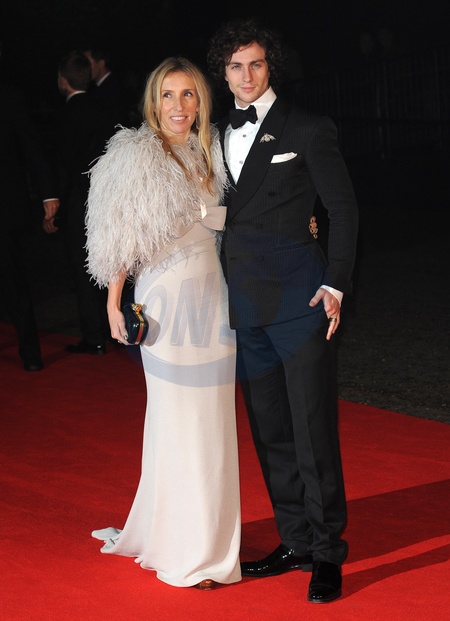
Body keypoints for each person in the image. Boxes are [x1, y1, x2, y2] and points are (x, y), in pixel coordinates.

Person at [207, 18, 359, 603]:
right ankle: (295, 540)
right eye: (235, 66)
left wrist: (337, 283)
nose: (246, 76)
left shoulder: (308, 127)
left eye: (256, 64)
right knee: (270, 431)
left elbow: (343, 209)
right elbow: (223, 214)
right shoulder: (214, 136)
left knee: (312, 429)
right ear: (223, 73)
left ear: (271, 66)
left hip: (301, 302)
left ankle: (327, 551)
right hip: (246, 304)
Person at [86, 56, 241, 590]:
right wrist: (114, 304)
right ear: (154, 102)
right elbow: (118, 234)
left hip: (213, 299)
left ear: (202, 101)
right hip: (163, 301)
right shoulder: (135, 156)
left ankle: (210, 542)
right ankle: (186, 550)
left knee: (213, 420)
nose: (179, 106)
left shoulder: (211, 151)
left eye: (189, 94)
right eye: (168, 95)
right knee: (178, 417)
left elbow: (231, 222)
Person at [45, 51, 110, 354]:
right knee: (105, 264)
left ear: (63, 80)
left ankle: (94, 335)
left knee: (83, 268)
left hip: (77, 203)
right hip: (104, 199)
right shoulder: (102, 110)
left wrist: (55, 209)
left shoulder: (65, 116)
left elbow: (64, 166)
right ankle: (110, 328)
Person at [0, 42, 60, 371]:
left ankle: (31, 354)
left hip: (5, 210)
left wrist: (48, 193)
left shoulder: (9, 97)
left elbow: (31, 146)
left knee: (14, 281)